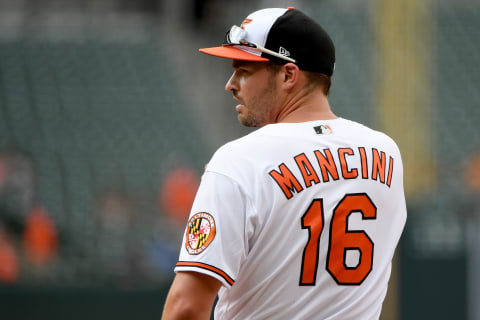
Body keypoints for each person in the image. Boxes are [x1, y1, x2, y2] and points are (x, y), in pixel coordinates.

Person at [162, 7, 407, 320]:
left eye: (244, 70)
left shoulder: (239, 161)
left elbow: (186, 307)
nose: (231, 83)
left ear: (289, 75)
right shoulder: (385, 153)